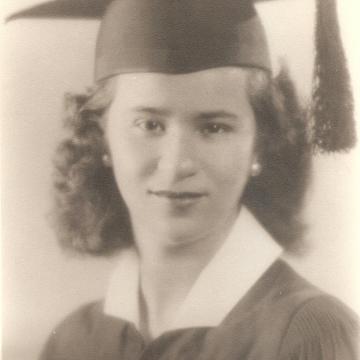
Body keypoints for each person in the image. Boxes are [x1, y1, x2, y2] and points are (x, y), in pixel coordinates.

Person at [8, 0, 358, 359]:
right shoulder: (73, 341)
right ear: (102, 140)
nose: (177, 163)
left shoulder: (308, 334)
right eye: (149, 125)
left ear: (260, 145)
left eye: (214, 127)